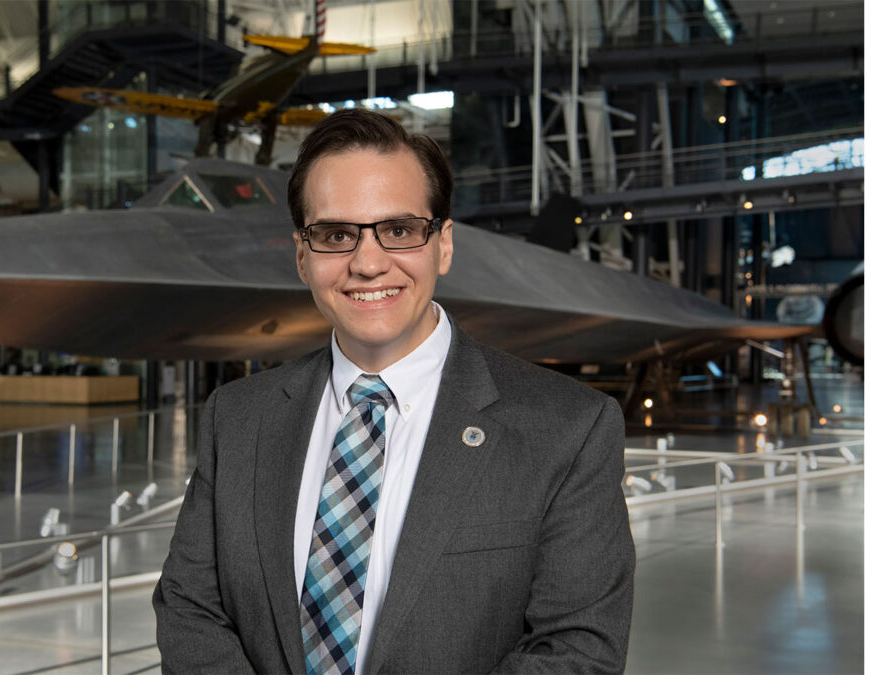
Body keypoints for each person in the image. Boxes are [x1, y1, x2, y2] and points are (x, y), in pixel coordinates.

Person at [154, 109, 634, 674]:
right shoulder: (236, 419)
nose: (368, 263)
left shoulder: (569, 428)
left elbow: (577, 651)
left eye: (399, 230)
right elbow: (189, 609)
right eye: (336, 235)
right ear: (303, 256)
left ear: (444, 244)